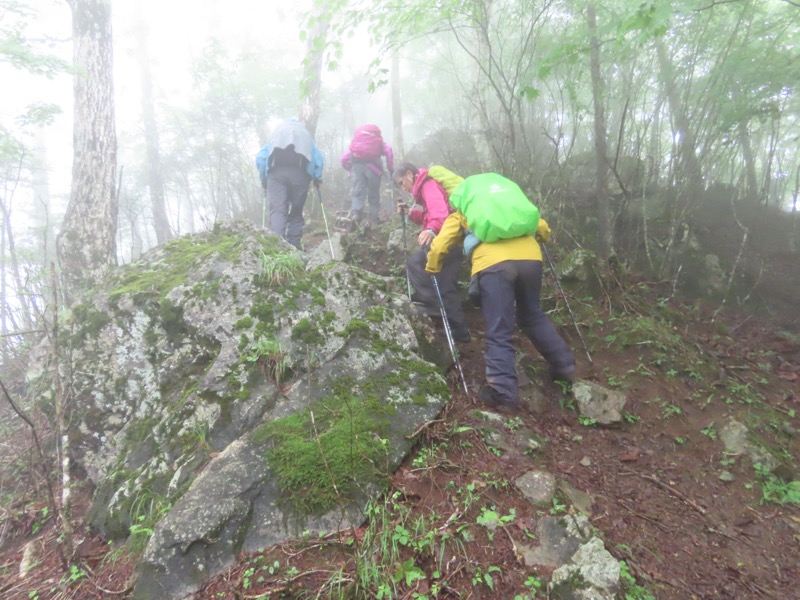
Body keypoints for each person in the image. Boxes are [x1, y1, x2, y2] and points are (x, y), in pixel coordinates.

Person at [425, 173, 576, 411]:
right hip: (530, 259)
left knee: (499, 327)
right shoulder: (510, 209)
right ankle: (564, 365)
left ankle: (503, 393)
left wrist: (432, 265)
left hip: (494, 266)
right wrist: (542, 238)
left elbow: (441, 244)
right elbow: (543, 227)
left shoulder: (464, 212)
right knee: (531, 315)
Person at [393, 162, 470, 342]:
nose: (402, 187)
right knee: (446, 285)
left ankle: (433, 306)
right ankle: (458, 329)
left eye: (401, 182)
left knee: (416, 263)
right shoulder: (426, 188)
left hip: (445, 240)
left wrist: (431, 230)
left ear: (410, 174)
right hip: (454, 240)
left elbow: (440, 213)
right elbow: (431, 214)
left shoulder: (427, 184)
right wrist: (410, 213)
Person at [255, 118, 324, 249]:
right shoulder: (305, 134)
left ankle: (278, 246)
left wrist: (263, 179)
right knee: (297, 212)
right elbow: (318, 158)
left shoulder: (276, 135)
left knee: (277, 210)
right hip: (300, 174)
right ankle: (294, 247)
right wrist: (317, 177)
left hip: (276, 175)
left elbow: (261, 158)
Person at [340, 124, 394, 225]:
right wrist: (391, 168)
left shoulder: (356, 146)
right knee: (373, 194)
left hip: (356, 168)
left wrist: (349, 169)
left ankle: (356, 215)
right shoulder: (378, 141)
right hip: (374, 169)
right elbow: (389, 151)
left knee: (357, 193)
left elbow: (343, 159)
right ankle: (373, 219)